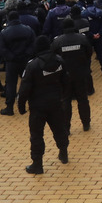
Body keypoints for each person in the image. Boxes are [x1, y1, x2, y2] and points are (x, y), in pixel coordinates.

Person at [18, 36, 71, 173]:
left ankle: (37, 164)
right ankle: (63, 153)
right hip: (56, 103)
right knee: (60, 129)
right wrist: (63, 97)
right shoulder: (59, 60)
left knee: (36, 135)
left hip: (37, 107)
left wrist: (21, 105)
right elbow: (66, 81)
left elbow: (24, 88)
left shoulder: (32, 65)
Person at [51, 19, 93, 132]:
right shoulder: (82, 38)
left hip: (64, 76)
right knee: (83, 99)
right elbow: (89, 52)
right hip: (80, 74)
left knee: (65, 101)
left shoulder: (58, 41)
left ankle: (66, 127)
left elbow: (53, 57)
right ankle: (86, 123)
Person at [0, 11, 35, 116]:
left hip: (12, 63)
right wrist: (27, 54)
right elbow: (33, 43)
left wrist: (11, 57)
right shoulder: (28, 29)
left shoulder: (4, 32)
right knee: (29, 82)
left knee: (11, 84)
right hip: (25, 60)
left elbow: (2, 49)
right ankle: (32, 103)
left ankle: (9, 108)